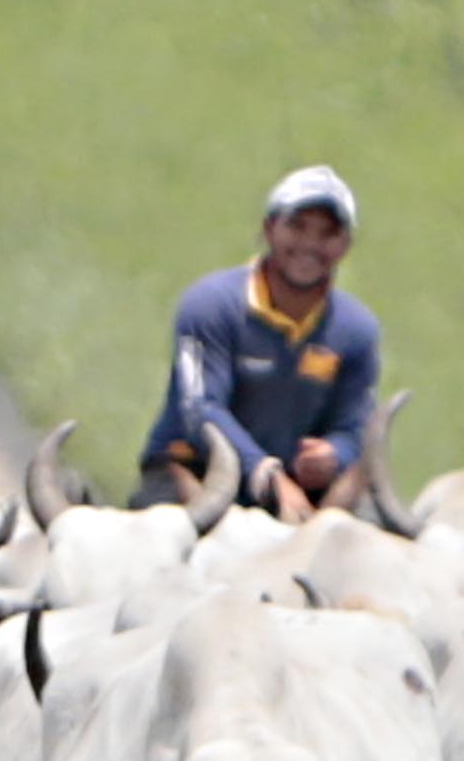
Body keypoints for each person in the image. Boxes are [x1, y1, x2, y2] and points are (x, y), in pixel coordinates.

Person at [141, 166, 382, 513]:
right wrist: (265, 473)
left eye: (328, 233)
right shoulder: (210, 305)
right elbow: (200, 409)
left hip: (297, 494)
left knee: (367, 523)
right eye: (297, 227)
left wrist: (334, 455)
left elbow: (355, 428)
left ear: (345, 245)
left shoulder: (357, 329)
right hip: (193, 474)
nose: (310, 245)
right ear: (269, 229)